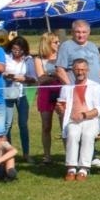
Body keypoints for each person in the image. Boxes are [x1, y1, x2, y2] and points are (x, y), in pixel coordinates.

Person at [57, 58, 100, 180]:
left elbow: (98, 109)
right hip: (73, 121)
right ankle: (71, 168)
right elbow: (61, 108)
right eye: (77, 69)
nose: (80, 72)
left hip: (90, 120)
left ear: (87, 70)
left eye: (82, 69)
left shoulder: (95, 86)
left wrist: (84, 115)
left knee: (88, 135)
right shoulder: (67, 88)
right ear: (72, 71)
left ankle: (84, 168)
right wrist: (60, 110)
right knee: (72, 134)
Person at [2, 35, 34, 159]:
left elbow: (33, 78)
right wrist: (6, 75)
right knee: (7, 125)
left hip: (23, 94)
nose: (16, 52)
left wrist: (23, 79)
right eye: (14, 49)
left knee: (23, 124)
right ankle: (8, 154)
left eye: (19, 50)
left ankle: (26, 153)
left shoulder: (28, 59)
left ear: (24, 50)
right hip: (7, 94)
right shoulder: (5, 57)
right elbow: (0, 71)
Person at [34, 32, 63, 164]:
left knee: (65, 124)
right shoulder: (39, 59)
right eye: (55, 42)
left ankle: (69, 153)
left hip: (61, 92)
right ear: (47, 44)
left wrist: (49, 75)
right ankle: (47, 155)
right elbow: (41, 78)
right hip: (45, 93)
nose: (58, 44)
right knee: (46, 126)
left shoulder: (62, 57)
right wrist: (56, 75)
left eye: (58, 42)